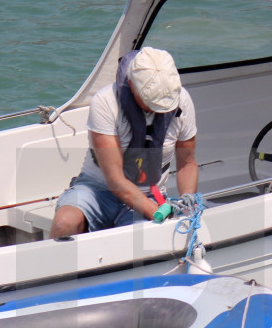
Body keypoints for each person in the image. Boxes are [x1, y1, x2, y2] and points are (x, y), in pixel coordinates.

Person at [49, 47, 198, 238]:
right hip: (97, 189)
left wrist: (187, 203)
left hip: (149, 193)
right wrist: (156, 213)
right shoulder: (105, 102)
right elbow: (115, 180)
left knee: (139, 238)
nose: (159, 109)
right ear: (131, 86)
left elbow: (187, 163)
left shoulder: (183, 101)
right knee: (64, 223)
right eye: (152, 102)